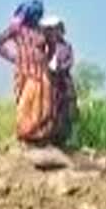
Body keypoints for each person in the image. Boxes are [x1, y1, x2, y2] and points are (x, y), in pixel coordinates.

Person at [0, 0, 56, 145]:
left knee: (44, 105)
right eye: (33, 14)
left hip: (41, 72)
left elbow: (52, 46)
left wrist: (46, 59)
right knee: (26, 104)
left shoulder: (42, 30)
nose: (36, 17)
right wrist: (12, 57)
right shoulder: (16, 28)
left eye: (38, 15)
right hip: (25, 71)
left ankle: (40, 135)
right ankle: (24, 135)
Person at [41, 15, 78, 148]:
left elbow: (70, 61)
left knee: (68, 110)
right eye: (50, 29)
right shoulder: (43, 46)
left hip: (64, 81)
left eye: (55, 29)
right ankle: (49, 139)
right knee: (50, 110)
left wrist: (59, 69)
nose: (53, 32)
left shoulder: (66, 46)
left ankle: (67, 140)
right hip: (49, 82)